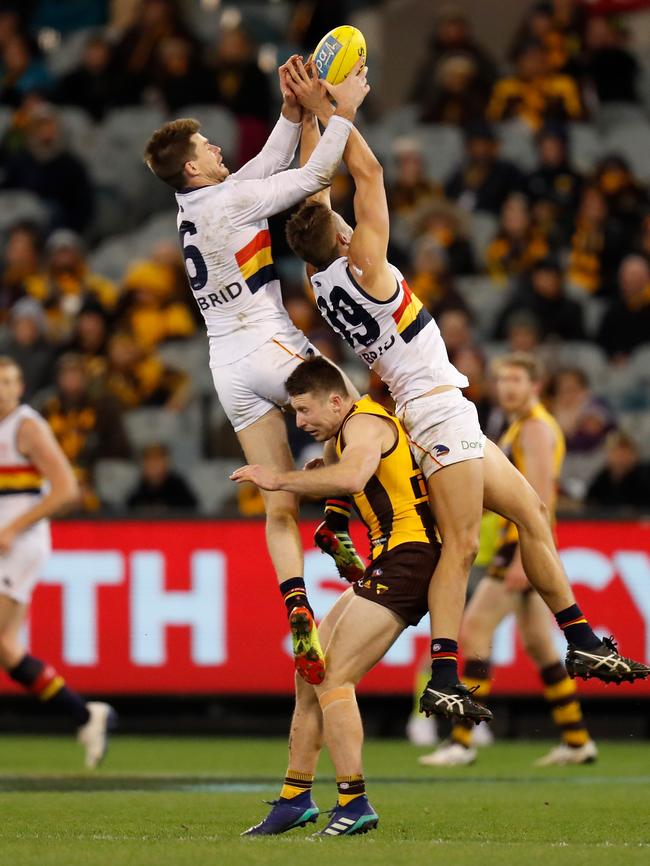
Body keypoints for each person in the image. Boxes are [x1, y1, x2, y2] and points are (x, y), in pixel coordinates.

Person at [282, 58, 649, 718]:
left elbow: (315, 187)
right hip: (435, 412)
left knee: (531, 513)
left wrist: (311, 114)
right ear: (341, 234)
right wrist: (341, 107)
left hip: (442, 406)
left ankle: (581, 639)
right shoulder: (364, 265)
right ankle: (446, 675)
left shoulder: (318, 280)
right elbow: (367, 173)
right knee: (458, 546)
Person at [143, 56, 369, 686]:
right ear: (192, 167)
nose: (217, 147)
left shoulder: (198, 206)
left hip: (227, 366)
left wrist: (289, 111)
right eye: (206, 145)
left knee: (276, 494)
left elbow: (260, 168)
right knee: (360, 415)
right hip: (271, 345)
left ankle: (297, 607)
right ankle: (337, 521)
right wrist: (337, 112)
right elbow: (314, 172)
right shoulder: (231, 199)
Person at [232, 357, 470, 837]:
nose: (299, 422)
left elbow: (354, 477)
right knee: (310, 671)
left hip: (411, 558)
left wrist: (281, 480)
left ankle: (354, 801)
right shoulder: (348, 432)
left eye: (304, 411)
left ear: (336, 400)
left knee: (334, 677)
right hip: (391, 559)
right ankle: (295, 797)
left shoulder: (363, 422)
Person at [420, 354, 597, 768]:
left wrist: (521, 556)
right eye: (502, 379)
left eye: (517, 379)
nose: (508, 387)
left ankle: (462, 742)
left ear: (536, 386)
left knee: (475, 629)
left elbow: (540, 497)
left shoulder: (534, 427)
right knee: (539, 645)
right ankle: (576, 740)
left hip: (518, 548)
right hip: (525, 546)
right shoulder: (522, 425)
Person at [0, 356, 115, 767]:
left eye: (12, 381)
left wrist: (15, 527)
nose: (6, 389)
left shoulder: (26, 427)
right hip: (6, 543)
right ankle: (84, 714)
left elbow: (66, 490)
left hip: (20, 543)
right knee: (8, 649)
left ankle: (85, 714)